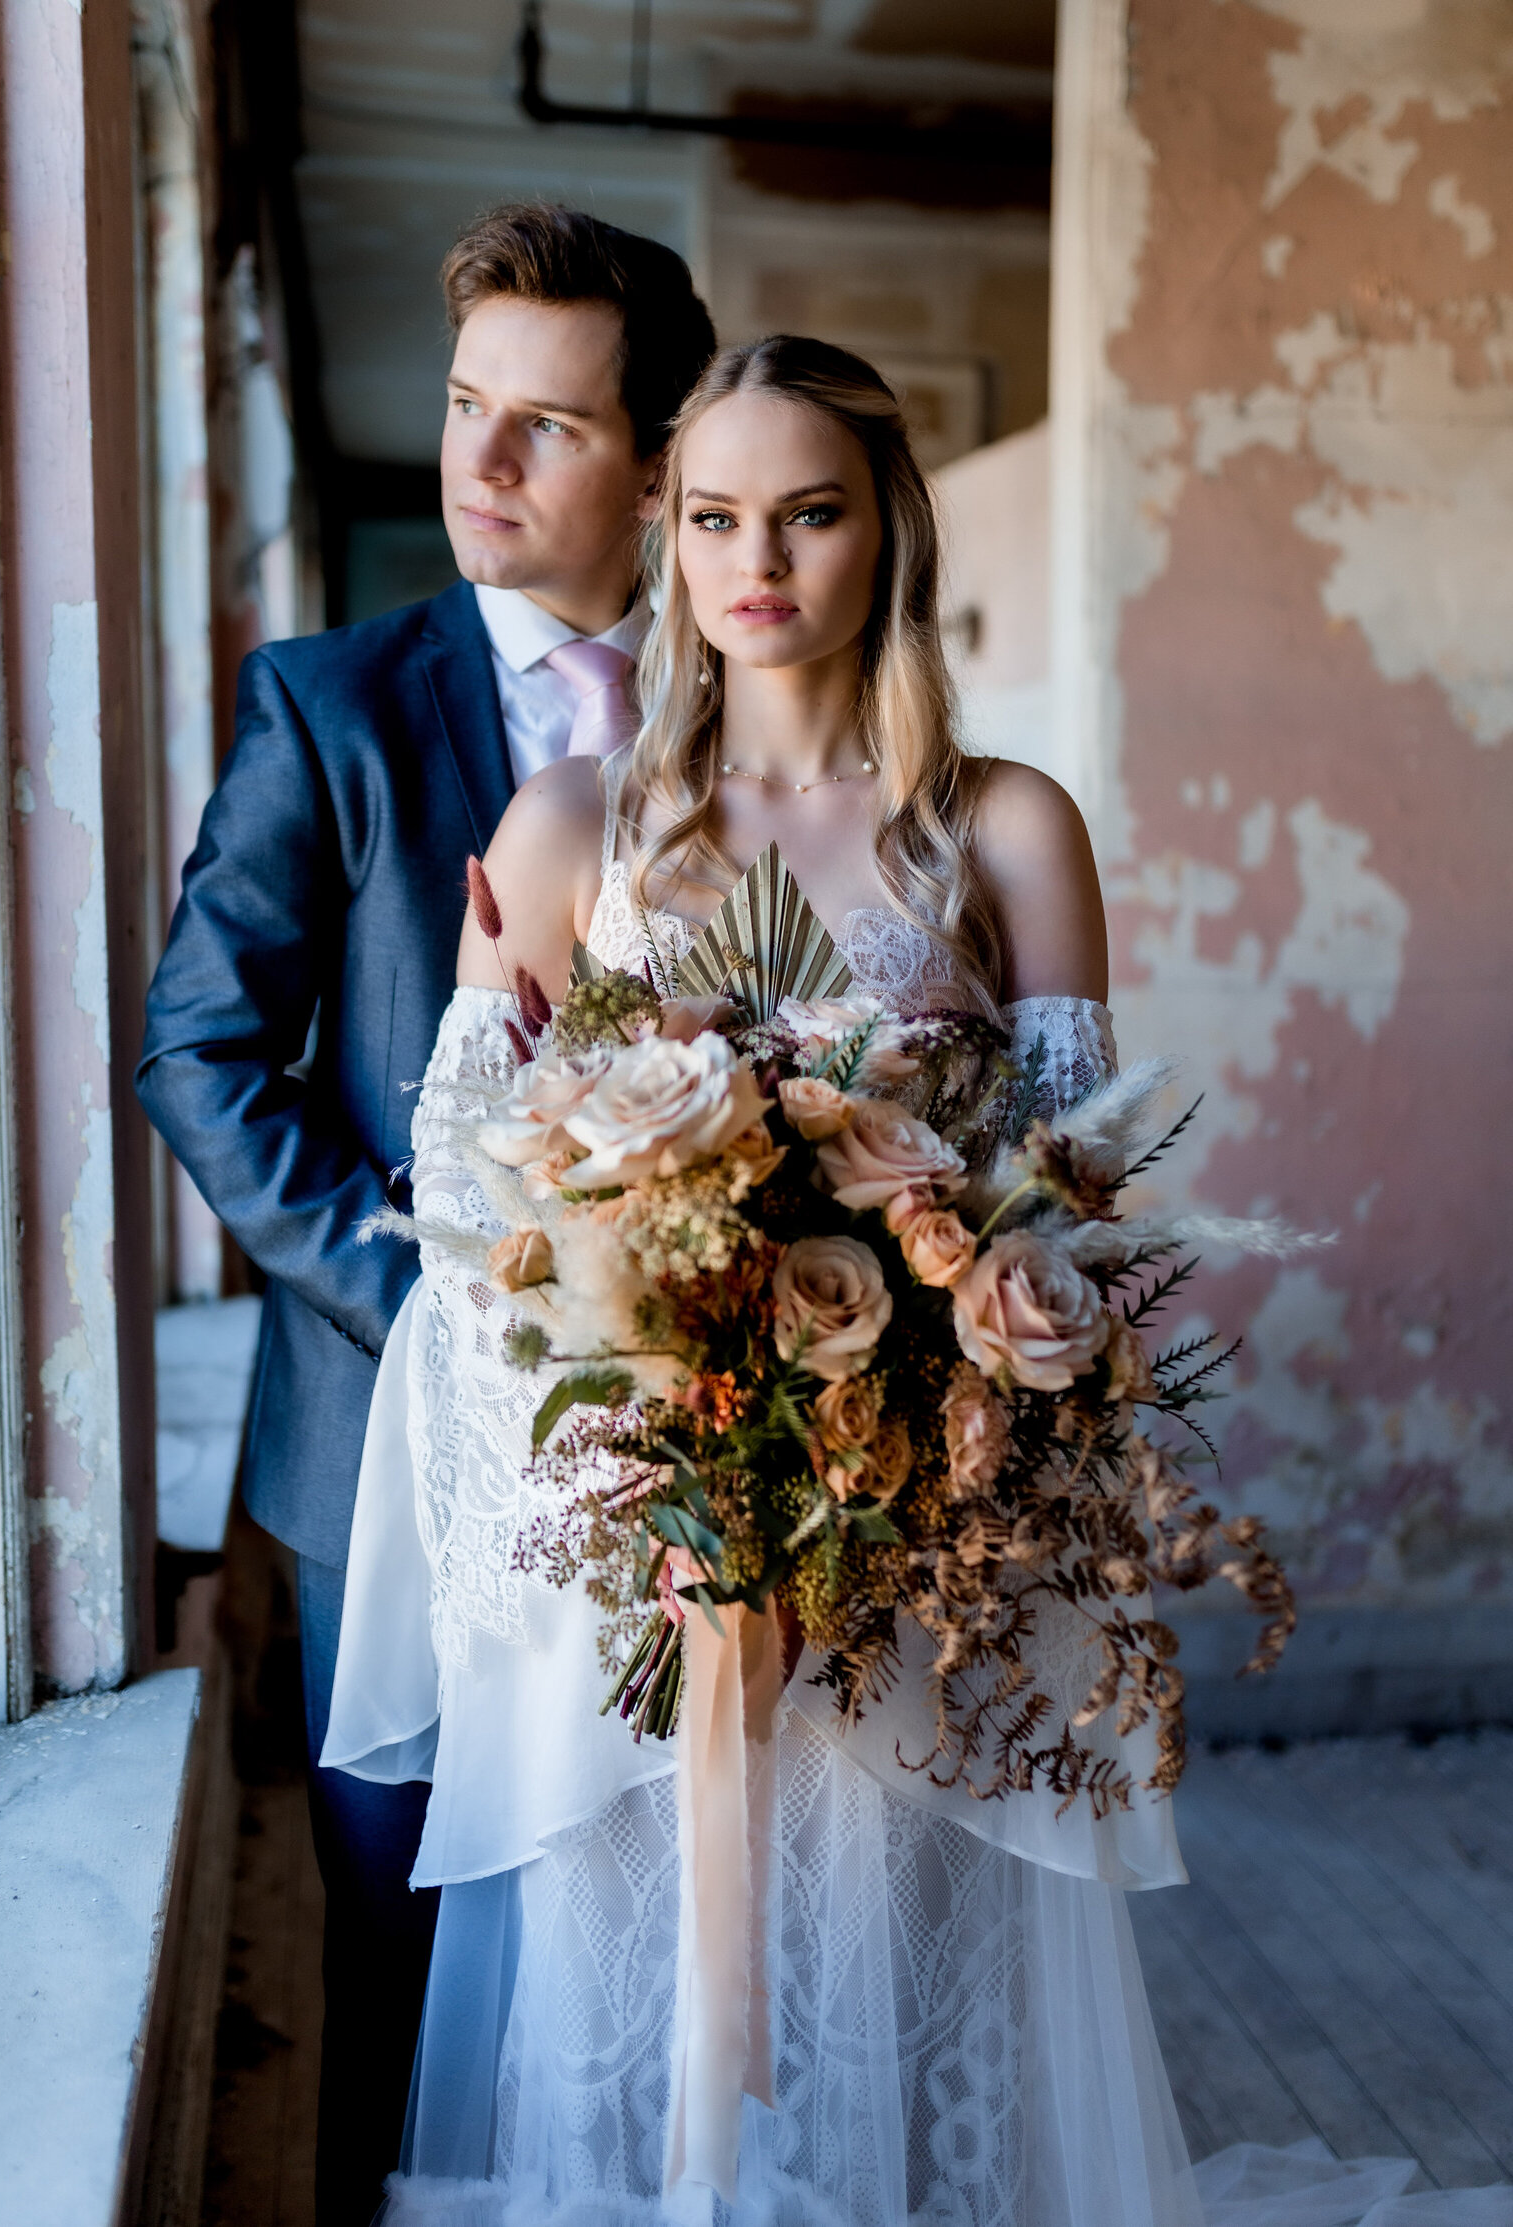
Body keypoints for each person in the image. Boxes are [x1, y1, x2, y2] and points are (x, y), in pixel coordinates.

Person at [330, 335, 1198, 2227]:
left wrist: (935, 1416)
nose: (763, 562)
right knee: (665, 2049)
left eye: (810, 512)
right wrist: (664, 1472)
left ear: (887, 526)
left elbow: (1076, 1196)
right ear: (665, 534)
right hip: (668, 1565)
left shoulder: (1008, 829)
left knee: (904, 2022)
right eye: (717, 515)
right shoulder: (575, 835)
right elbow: (476, 1231)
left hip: (922, 1555)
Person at [136, 203, 715, 2226]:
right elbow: (198, 1053)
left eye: (543, 428)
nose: (478, 463)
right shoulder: (330, 704)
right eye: (467, 406)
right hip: (389, 1459)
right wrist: (418, 1291)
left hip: (699, 1467)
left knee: (662, 1955)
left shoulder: (739, 716)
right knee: (399, 1962)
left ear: (656, 465)